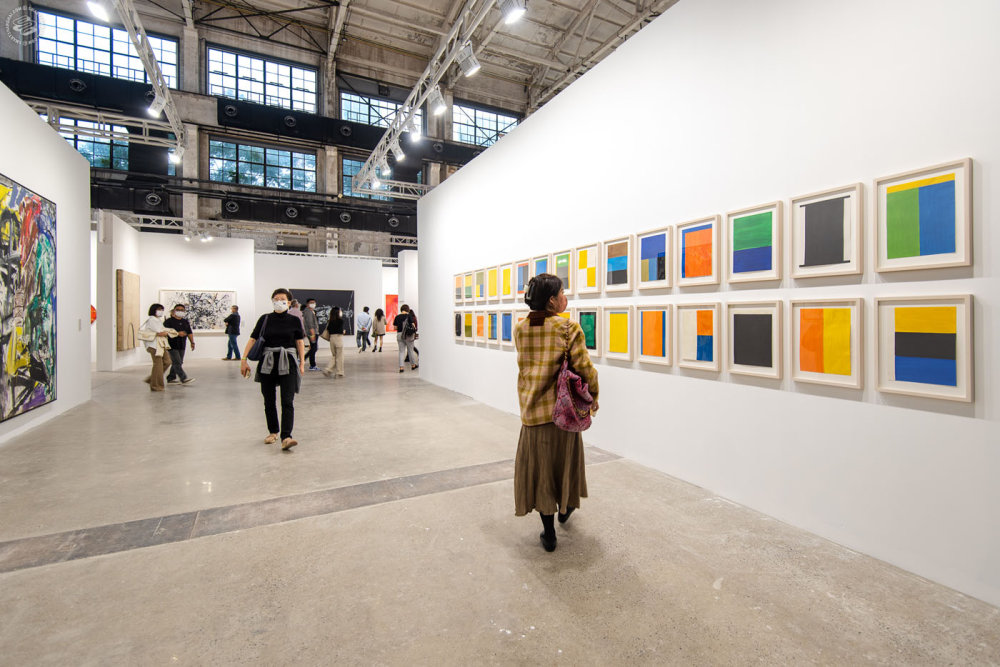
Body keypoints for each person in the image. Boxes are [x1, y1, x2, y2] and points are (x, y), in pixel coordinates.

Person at [513, 273, 599, 553]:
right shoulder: (568, 328)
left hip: (532, 412)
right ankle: (566, 508)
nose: (565, 297)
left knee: (541, 473)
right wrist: (594, 395)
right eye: (562, 293)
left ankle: (549, 533)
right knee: (564, 465)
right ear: (551, 301)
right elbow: (584, 368)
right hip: (563, 413)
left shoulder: (520, 328)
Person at [240, 288, 305, 451]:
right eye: (275, 299)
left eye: (282, 299)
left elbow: (299, 342)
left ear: (289, 302)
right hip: (267, 362)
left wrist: (302, 363)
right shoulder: (265, 319)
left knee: (287, 400)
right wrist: (243, 359)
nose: (278, 301)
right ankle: (273, 432)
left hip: (288, 361)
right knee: (268, 399)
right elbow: (253, 339)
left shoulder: (294, 320)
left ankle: (286, 436)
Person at [138, 303, 173, 391]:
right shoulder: (152, 320)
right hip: (154, 345)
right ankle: (156, 386)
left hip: (160, 345)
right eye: (159, 309)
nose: (161, 311)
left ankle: (152, 379)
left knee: (167, 362)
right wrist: (167, 332)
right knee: (158, 365)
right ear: (154, 310)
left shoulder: (157, 320)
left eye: (162, 310)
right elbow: (160, 332)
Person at [164, 303, 196, 385]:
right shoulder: (168, 321)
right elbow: (165, 332)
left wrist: (192, 342)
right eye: (178, 310)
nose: (180, 311)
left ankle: (171, 378)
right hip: (171, 345)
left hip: (182, 344)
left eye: (182, 310)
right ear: (174, 311)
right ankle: (183, 378)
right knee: (177, 362)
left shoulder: (185, 322)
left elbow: (189, 332)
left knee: (178, 362)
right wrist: (177, 333)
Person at [393, 304, 418, 373]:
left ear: (401, 309)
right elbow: (413, 326)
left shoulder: (397, 317)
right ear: (407, 309)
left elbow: (395, 328)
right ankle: (413, 365)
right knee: (410, 350)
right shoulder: (409, 316)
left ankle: (401, 367)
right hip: (408, 335)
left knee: (401, 351)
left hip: (399, 334)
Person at [323, 306, 347, 378]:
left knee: (334, 355)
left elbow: (329, 330)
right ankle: (339, 372)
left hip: (332, 339)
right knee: (340, 356)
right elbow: (340, 331)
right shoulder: (340, 321)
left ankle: (328, 369)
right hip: (338, 338)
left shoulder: (330, 321)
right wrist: (343, 331)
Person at [303, 298, 320, 371]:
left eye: (314, 303)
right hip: (312, 333)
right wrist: (313, 334)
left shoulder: (311, 311)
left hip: (313, 332)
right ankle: (312, 365)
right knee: (314, 348)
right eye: (311, 302)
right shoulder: (308, 312)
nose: (313, 304)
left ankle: (304, 358)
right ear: (307, 304)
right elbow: (310, 324)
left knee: (314, 348)